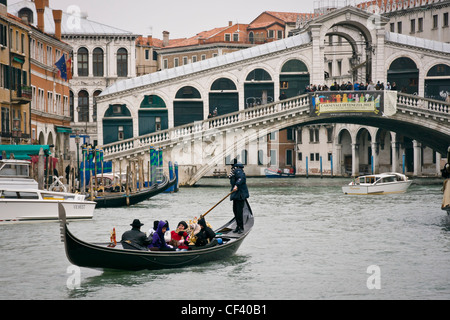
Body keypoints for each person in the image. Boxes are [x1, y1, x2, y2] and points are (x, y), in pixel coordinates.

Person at [228, 159, 249, 234]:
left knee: (239, 212)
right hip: (236, 194)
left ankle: (241, 228)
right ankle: (238, 226)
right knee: (235, 211)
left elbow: (241, 178)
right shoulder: (234, 171)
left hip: (240, 194)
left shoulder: (238, 170)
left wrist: (236, 185)